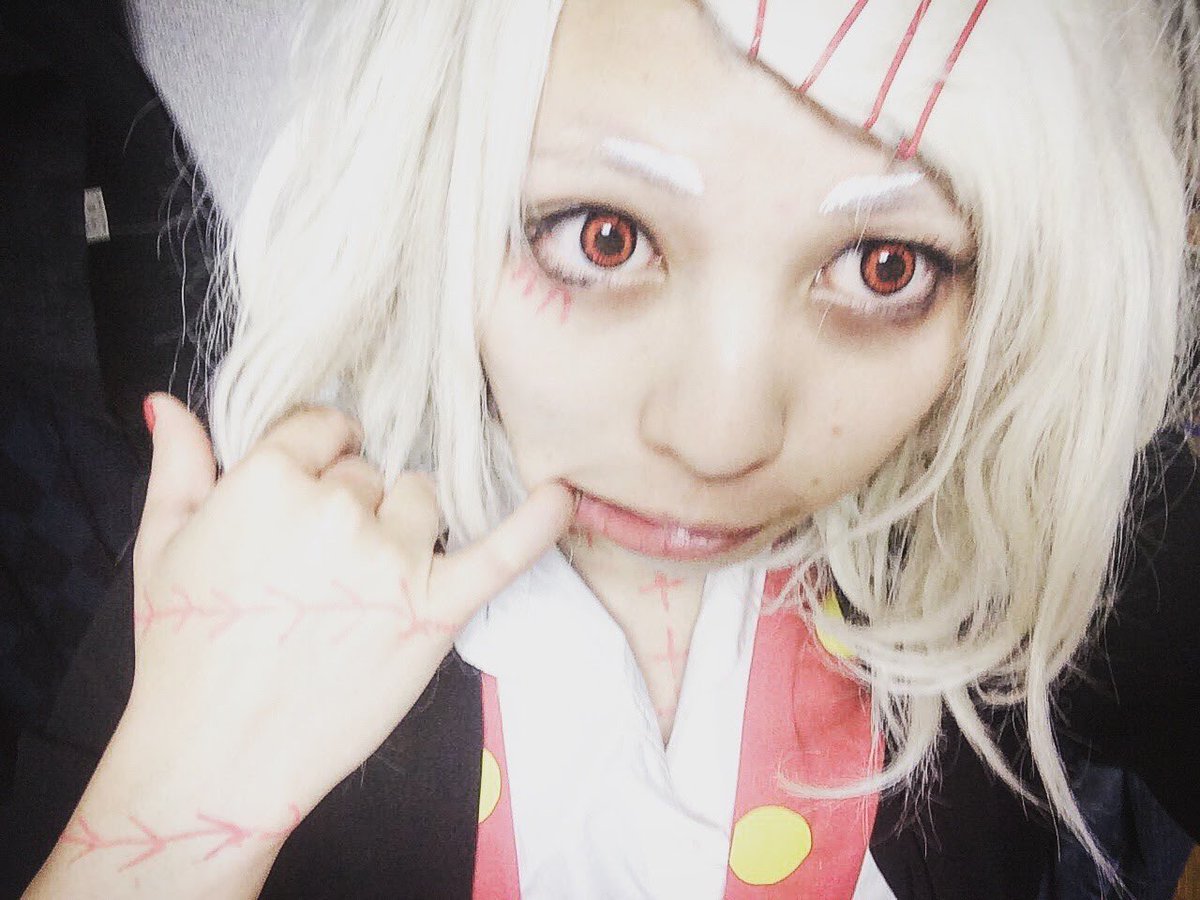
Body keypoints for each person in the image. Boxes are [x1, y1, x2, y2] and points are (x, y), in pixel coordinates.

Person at [5, 0, 1200, 897]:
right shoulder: (246, 610)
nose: (720, 438)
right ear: (438, 195)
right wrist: (181, 806)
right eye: (604, 236)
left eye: (884, 267)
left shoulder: (1037, 523)